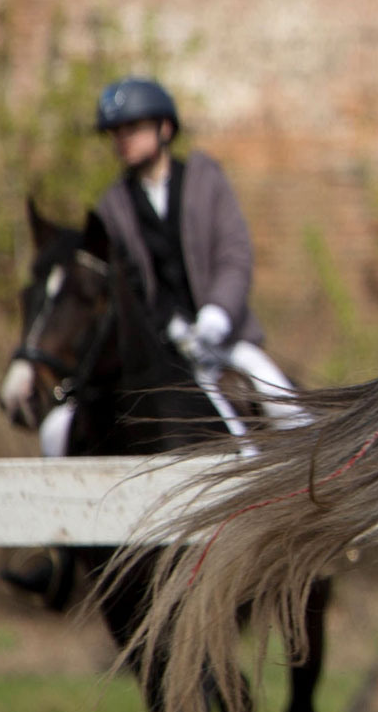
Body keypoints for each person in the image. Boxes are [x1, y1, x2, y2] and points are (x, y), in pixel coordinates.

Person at [56, 76, 302, 454]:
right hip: (158, 348)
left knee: (291, 412)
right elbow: (126, 286)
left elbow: (234, 253)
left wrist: (217, 314)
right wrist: (166, 324)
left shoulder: (206, 181)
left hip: (223, 338)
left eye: (133, 128)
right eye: (116, 132)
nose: (123, 140)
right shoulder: (112, 207)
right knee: (62, 431)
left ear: (164, 128)